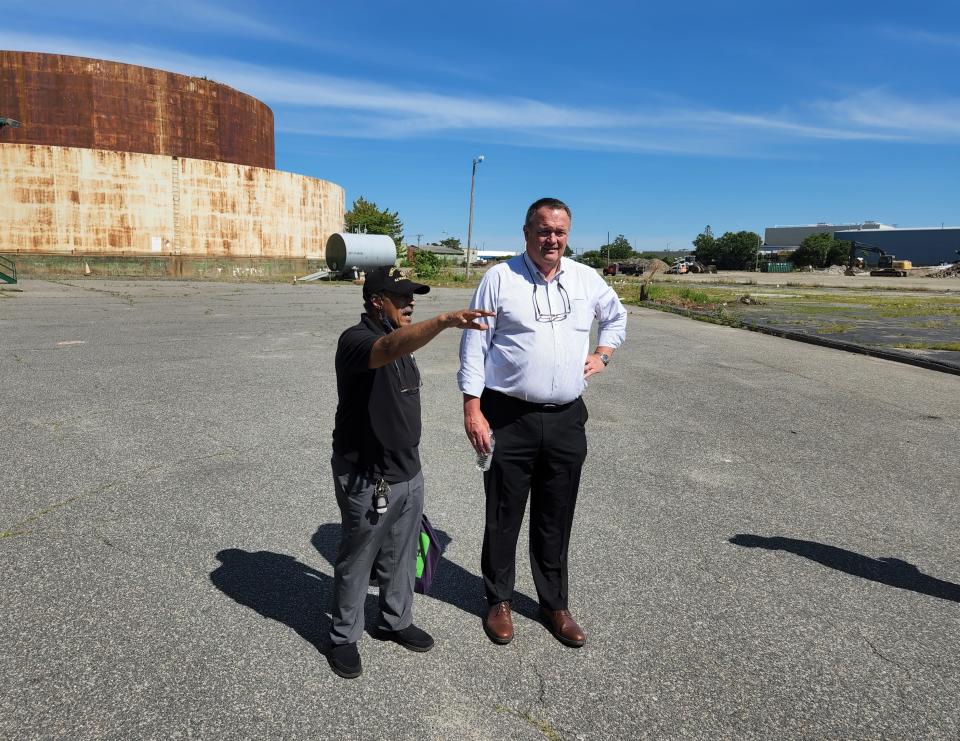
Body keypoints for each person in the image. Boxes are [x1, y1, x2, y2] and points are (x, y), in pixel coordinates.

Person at [458, 198, 627, 648]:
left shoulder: (586, 279)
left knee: (556, 515)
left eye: (560, 232)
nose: (551, 239)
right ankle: (498, 600)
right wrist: (472, 407)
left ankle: (555, 603)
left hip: (567, 419)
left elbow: (617, 317)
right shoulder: (499, 279)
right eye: (543, 231)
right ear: (527, 231)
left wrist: (603, 354)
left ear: (568, 234)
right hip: (508, 415)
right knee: (504, 514)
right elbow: (474, 346)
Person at [329, 265, 493, 678]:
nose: (410, 302)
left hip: (407, 470)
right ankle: (343, 636)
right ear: (374, 302)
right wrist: (443, 321)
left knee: (403, 553)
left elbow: (399, 352)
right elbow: (387, 347)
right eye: (400, 297)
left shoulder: (402, 349)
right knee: (359, 556)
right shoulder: (357, 341)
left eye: (412, 296)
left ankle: (394, 620)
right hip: (368, 474)